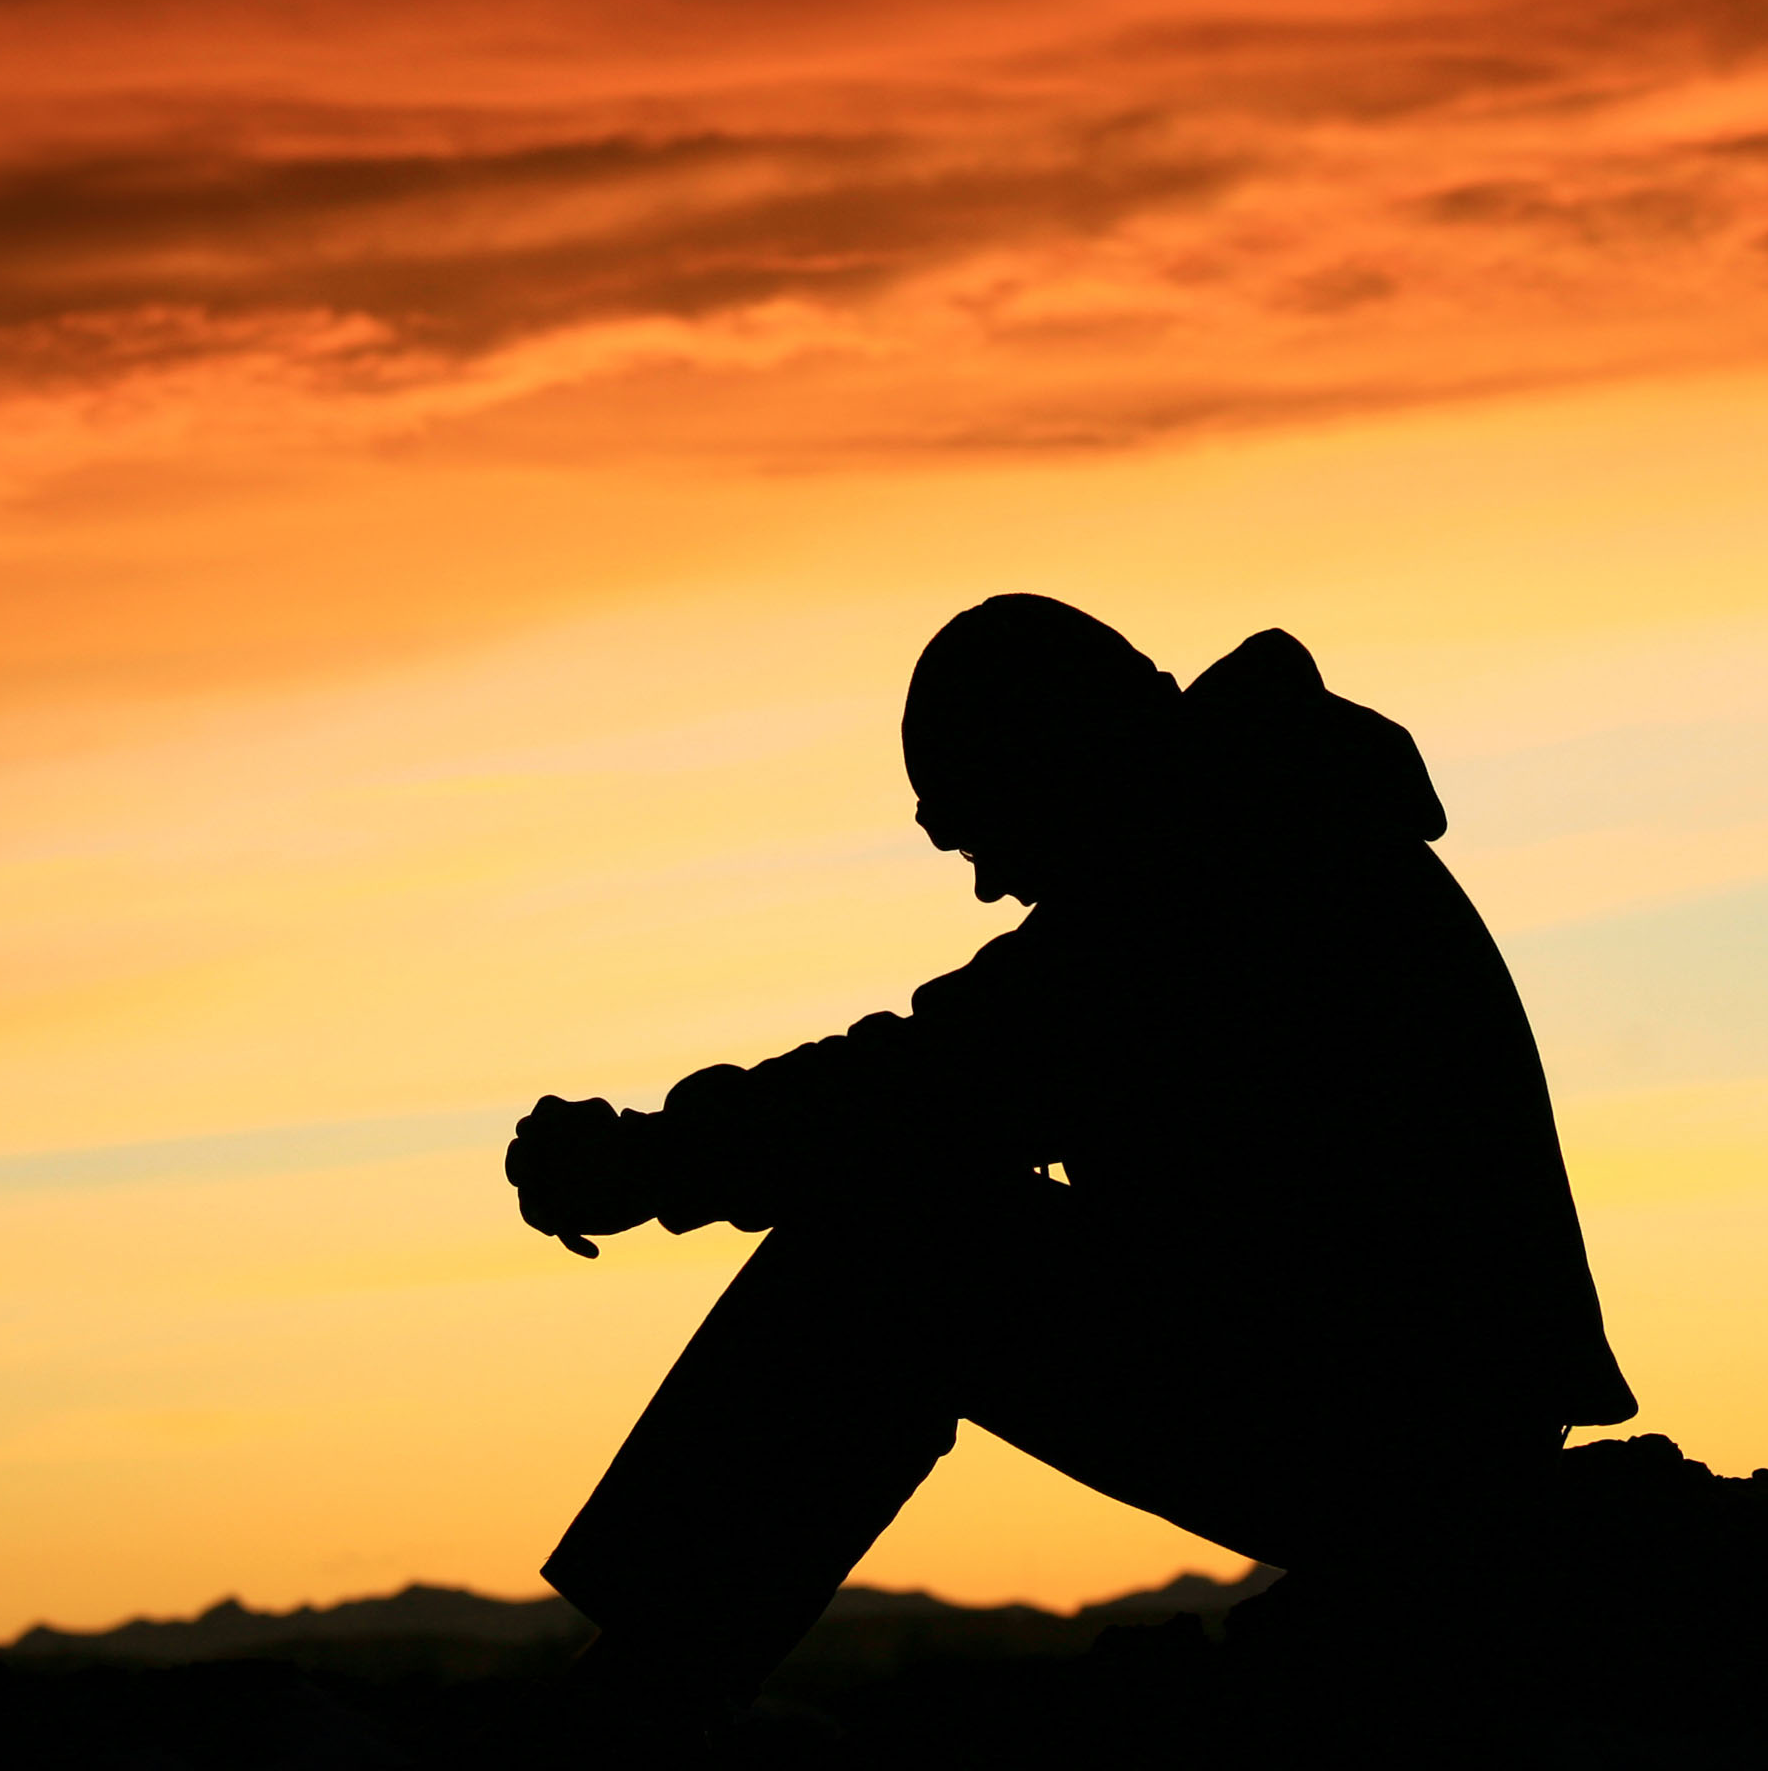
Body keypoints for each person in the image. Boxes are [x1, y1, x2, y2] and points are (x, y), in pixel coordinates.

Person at [505, 595, 1635, 1727]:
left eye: (976, 830)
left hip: (1404, 1441)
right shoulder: (1252, 823)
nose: (991, 884)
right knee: (907, 1221)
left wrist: (651, 1160)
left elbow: (935, 1087)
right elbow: (963, 1076)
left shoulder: (1224, 866)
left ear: (1050, 760)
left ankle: (642, 1697)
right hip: (1398, 1402)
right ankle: (652, 1670)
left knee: (894, 1248)